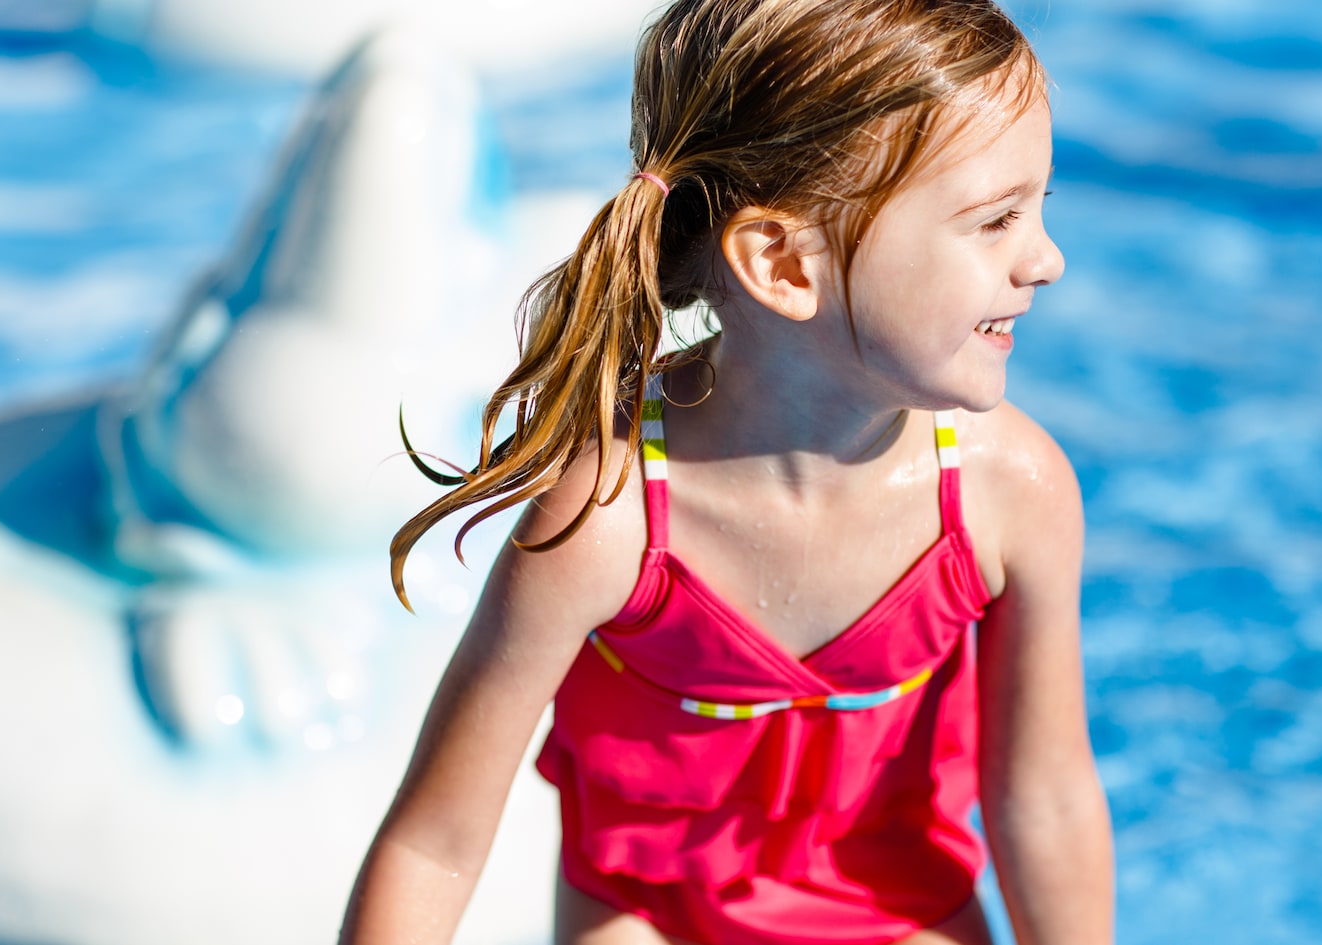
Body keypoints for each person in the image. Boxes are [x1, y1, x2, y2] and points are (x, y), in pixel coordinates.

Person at [341, 0, 1114, 942]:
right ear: (785, 265)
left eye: (1037, 209)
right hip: (650, 918)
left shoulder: (1006, 494)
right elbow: (434, 842)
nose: (1047, 260)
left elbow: (1045, 799)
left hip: (902, 913)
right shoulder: (611, 519)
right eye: (995, 221)